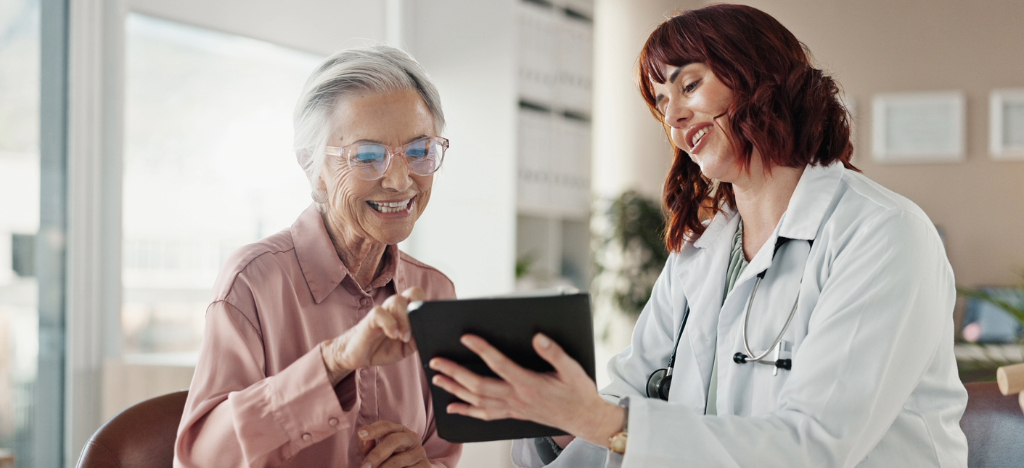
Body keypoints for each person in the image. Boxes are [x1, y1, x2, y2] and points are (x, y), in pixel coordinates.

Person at [427, 4, 968, 467]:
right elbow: (630, 397)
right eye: (662, 102)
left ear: (761, 77)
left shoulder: (882, 234)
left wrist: (599, 418)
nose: (675, 117)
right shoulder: (702, 251)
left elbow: (814, 449)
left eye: (690, 84)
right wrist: (550, 415)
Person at [174, 45, 461, 468]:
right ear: (312, 165)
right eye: (367, 156)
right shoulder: (253, 282)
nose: (401, 181)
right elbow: (200, 461)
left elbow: (442, 452)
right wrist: (335, 361)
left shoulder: (434, 290)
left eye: (419, 151)